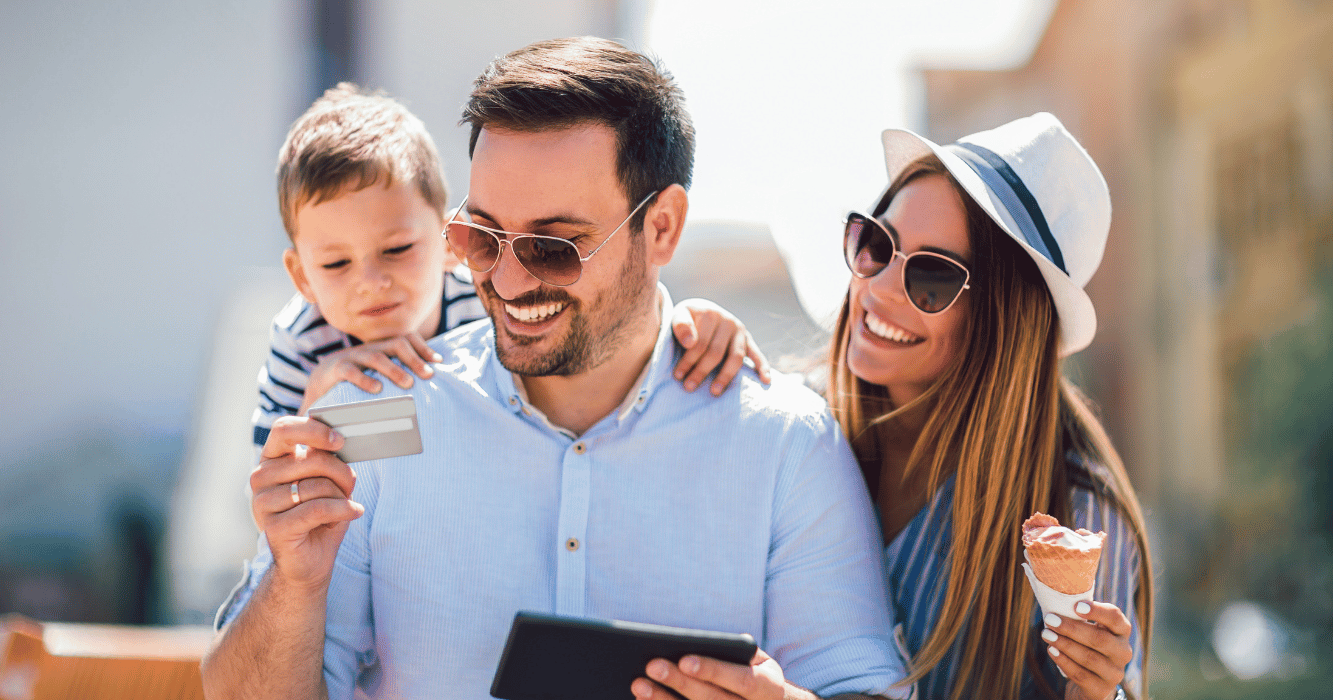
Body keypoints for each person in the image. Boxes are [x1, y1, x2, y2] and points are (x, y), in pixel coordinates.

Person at [201, 37, 909, 700]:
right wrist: (292, 585)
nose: (506, 282)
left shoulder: (786, 445)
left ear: (661, 227)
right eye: (481, 238)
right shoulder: (379, 414)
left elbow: (861, 683)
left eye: (554, 247)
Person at [825, 112, 1152, 700]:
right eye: (877, 243)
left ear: (1003, 321)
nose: (877, 287)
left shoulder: (1077, 519)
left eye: (931, 276)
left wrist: (1098, 693)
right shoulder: (800, 427)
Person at [253, 83, 770, 452]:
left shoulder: (482, 309)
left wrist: (692, 323)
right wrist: (319, 406)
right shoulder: (302, 344)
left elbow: (614, 322)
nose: (372, 281)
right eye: (337, 263)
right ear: (302, 279)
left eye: (397, 250)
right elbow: (274, 484)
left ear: (451, 239)